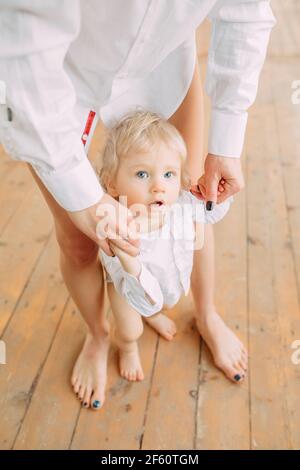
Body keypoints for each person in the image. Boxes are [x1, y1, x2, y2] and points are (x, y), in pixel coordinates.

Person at [0, 0, 276, 410]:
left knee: (192, 194)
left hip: (162, 61)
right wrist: (87, 199)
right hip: (58, 79)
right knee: (79, 242)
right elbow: (22, 47)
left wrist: (227, 138)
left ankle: (206, 313)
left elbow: (246, 8)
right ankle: (98, 334)